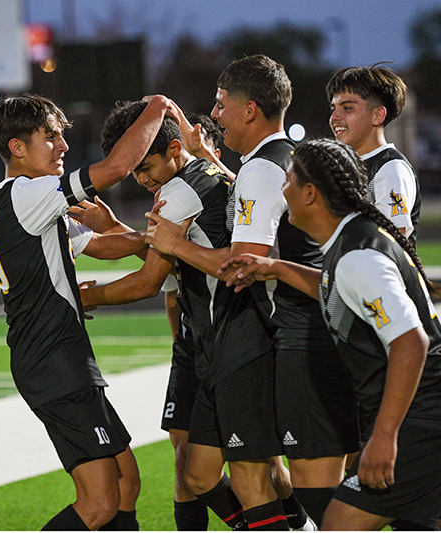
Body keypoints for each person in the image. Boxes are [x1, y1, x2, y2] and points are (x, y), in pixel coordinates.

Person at [144, 55, 360, 528]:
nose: (215, 116)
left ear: (250, 110)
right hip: (297, 332)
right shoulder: (284, 160)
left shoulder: (261, 171)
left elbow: (242, 267)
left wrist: (175, 244)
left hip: (283, 337)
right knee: (223, 474)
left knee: (291, 483)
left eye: (222, 105)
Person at [208, 138, 441, 530]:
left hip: (422, 422)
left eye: (288, 182)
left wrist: (385, 437)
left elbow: (411, 341)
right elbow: (340, 287)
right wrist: (279, 269)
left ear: (310, 194)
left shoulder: (357, 255)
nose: (282, 191)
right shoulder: (350, 242)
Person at [0, 93, 180, 531]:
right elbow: (114, 170)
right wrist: (157, 108)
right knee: (100, 502)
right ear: (17, 147)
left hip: (61, 357)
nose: (63, 146)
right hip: (53, 361)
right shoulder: (28, 193)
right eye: (50, 137)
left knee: (127, 483)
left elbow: (99, 245)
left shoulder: (21, 200)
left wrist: (151, 235)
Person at [326, 64, 419, 239]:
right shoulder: (346, 166)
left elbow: (391, 245)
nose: (335, 117)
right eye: (334, 109)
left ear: (377, 116)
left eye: (347, 108)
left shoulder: (391, 169)